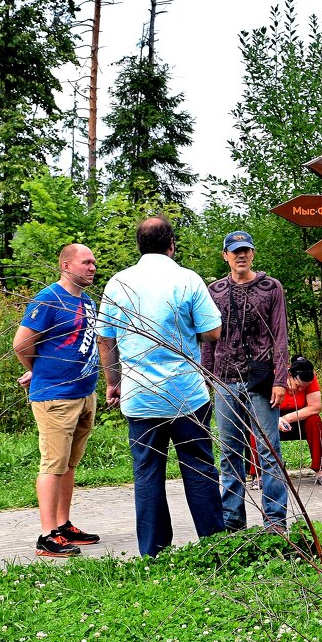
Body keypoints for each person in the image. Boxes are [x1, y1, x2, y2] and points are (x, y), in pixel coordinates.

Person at [97, 217, 226, 557]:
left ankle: (153, 553)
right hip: (186, 395)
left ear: (139, 245)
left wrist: (114, 383)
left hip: (139, 397)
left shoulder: (118, 283)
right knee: (199, 468)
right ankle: (214, 545)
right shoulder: (187, 279)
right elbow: (213, 332)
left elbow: (105, 339)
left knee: (147, 474)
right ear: (171, 244)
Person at [12, 243, 102, 558]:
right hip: (56, 397)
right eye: (86, 262)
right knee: (53, 464)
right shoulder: (49, 298)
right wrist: (37, 371)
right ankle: (47, 535)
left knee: (69, 464)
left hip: (84, 394)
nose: (92, 267)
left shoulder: (87, 301)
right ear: (66, 265)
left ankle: (63, 525)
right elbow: (21, 344)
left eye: (94, 263)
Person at [201, 230, 290, 532]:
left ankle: (275, 521)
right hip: (225, 378)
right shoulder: (213, 291)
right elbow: (207, 338)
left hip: (261, 379)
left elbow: (280, 336)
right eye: (235, 251)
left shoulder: (270, 287)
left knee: (269, 450)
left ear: (253, 254)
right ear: (225, 255)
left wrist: (281, 378)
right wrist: (207, 376)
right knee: (229, 451)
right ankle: (233, 520)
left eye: (246, 250)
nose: (241, 255)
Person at [275, 355, 322, 485]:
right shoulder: (275, 376)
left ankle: (320, 470)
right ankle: (258, 475)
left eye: (304, 388)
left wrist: (286, 418)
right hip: (273, 417)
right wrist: (275, 419)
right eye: (298, 386)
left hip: (299, 418)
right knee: (257, 425)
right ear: (289, 375)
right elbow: (260, 407)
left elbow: (315, 407)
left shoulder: (309, 378)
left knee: (315, 420)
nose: (301, 390)